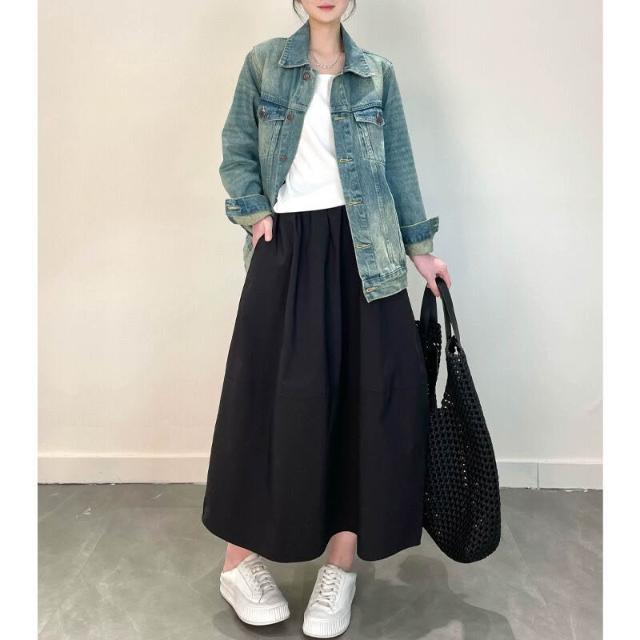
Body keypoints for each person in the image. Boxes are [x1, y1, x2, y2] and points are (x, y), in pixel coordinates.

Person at [201, 1, 451, 637]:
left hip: (368, 253)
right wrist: (255, 214)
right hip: (286, 248)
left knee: (365, 403)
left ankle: (341, 565)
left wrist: (420, 249)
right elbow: (236, 148)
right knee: (270, 400)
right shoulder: (265, 63)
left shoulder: (376, 73)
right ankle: (237, 563)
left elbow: (398, 164)